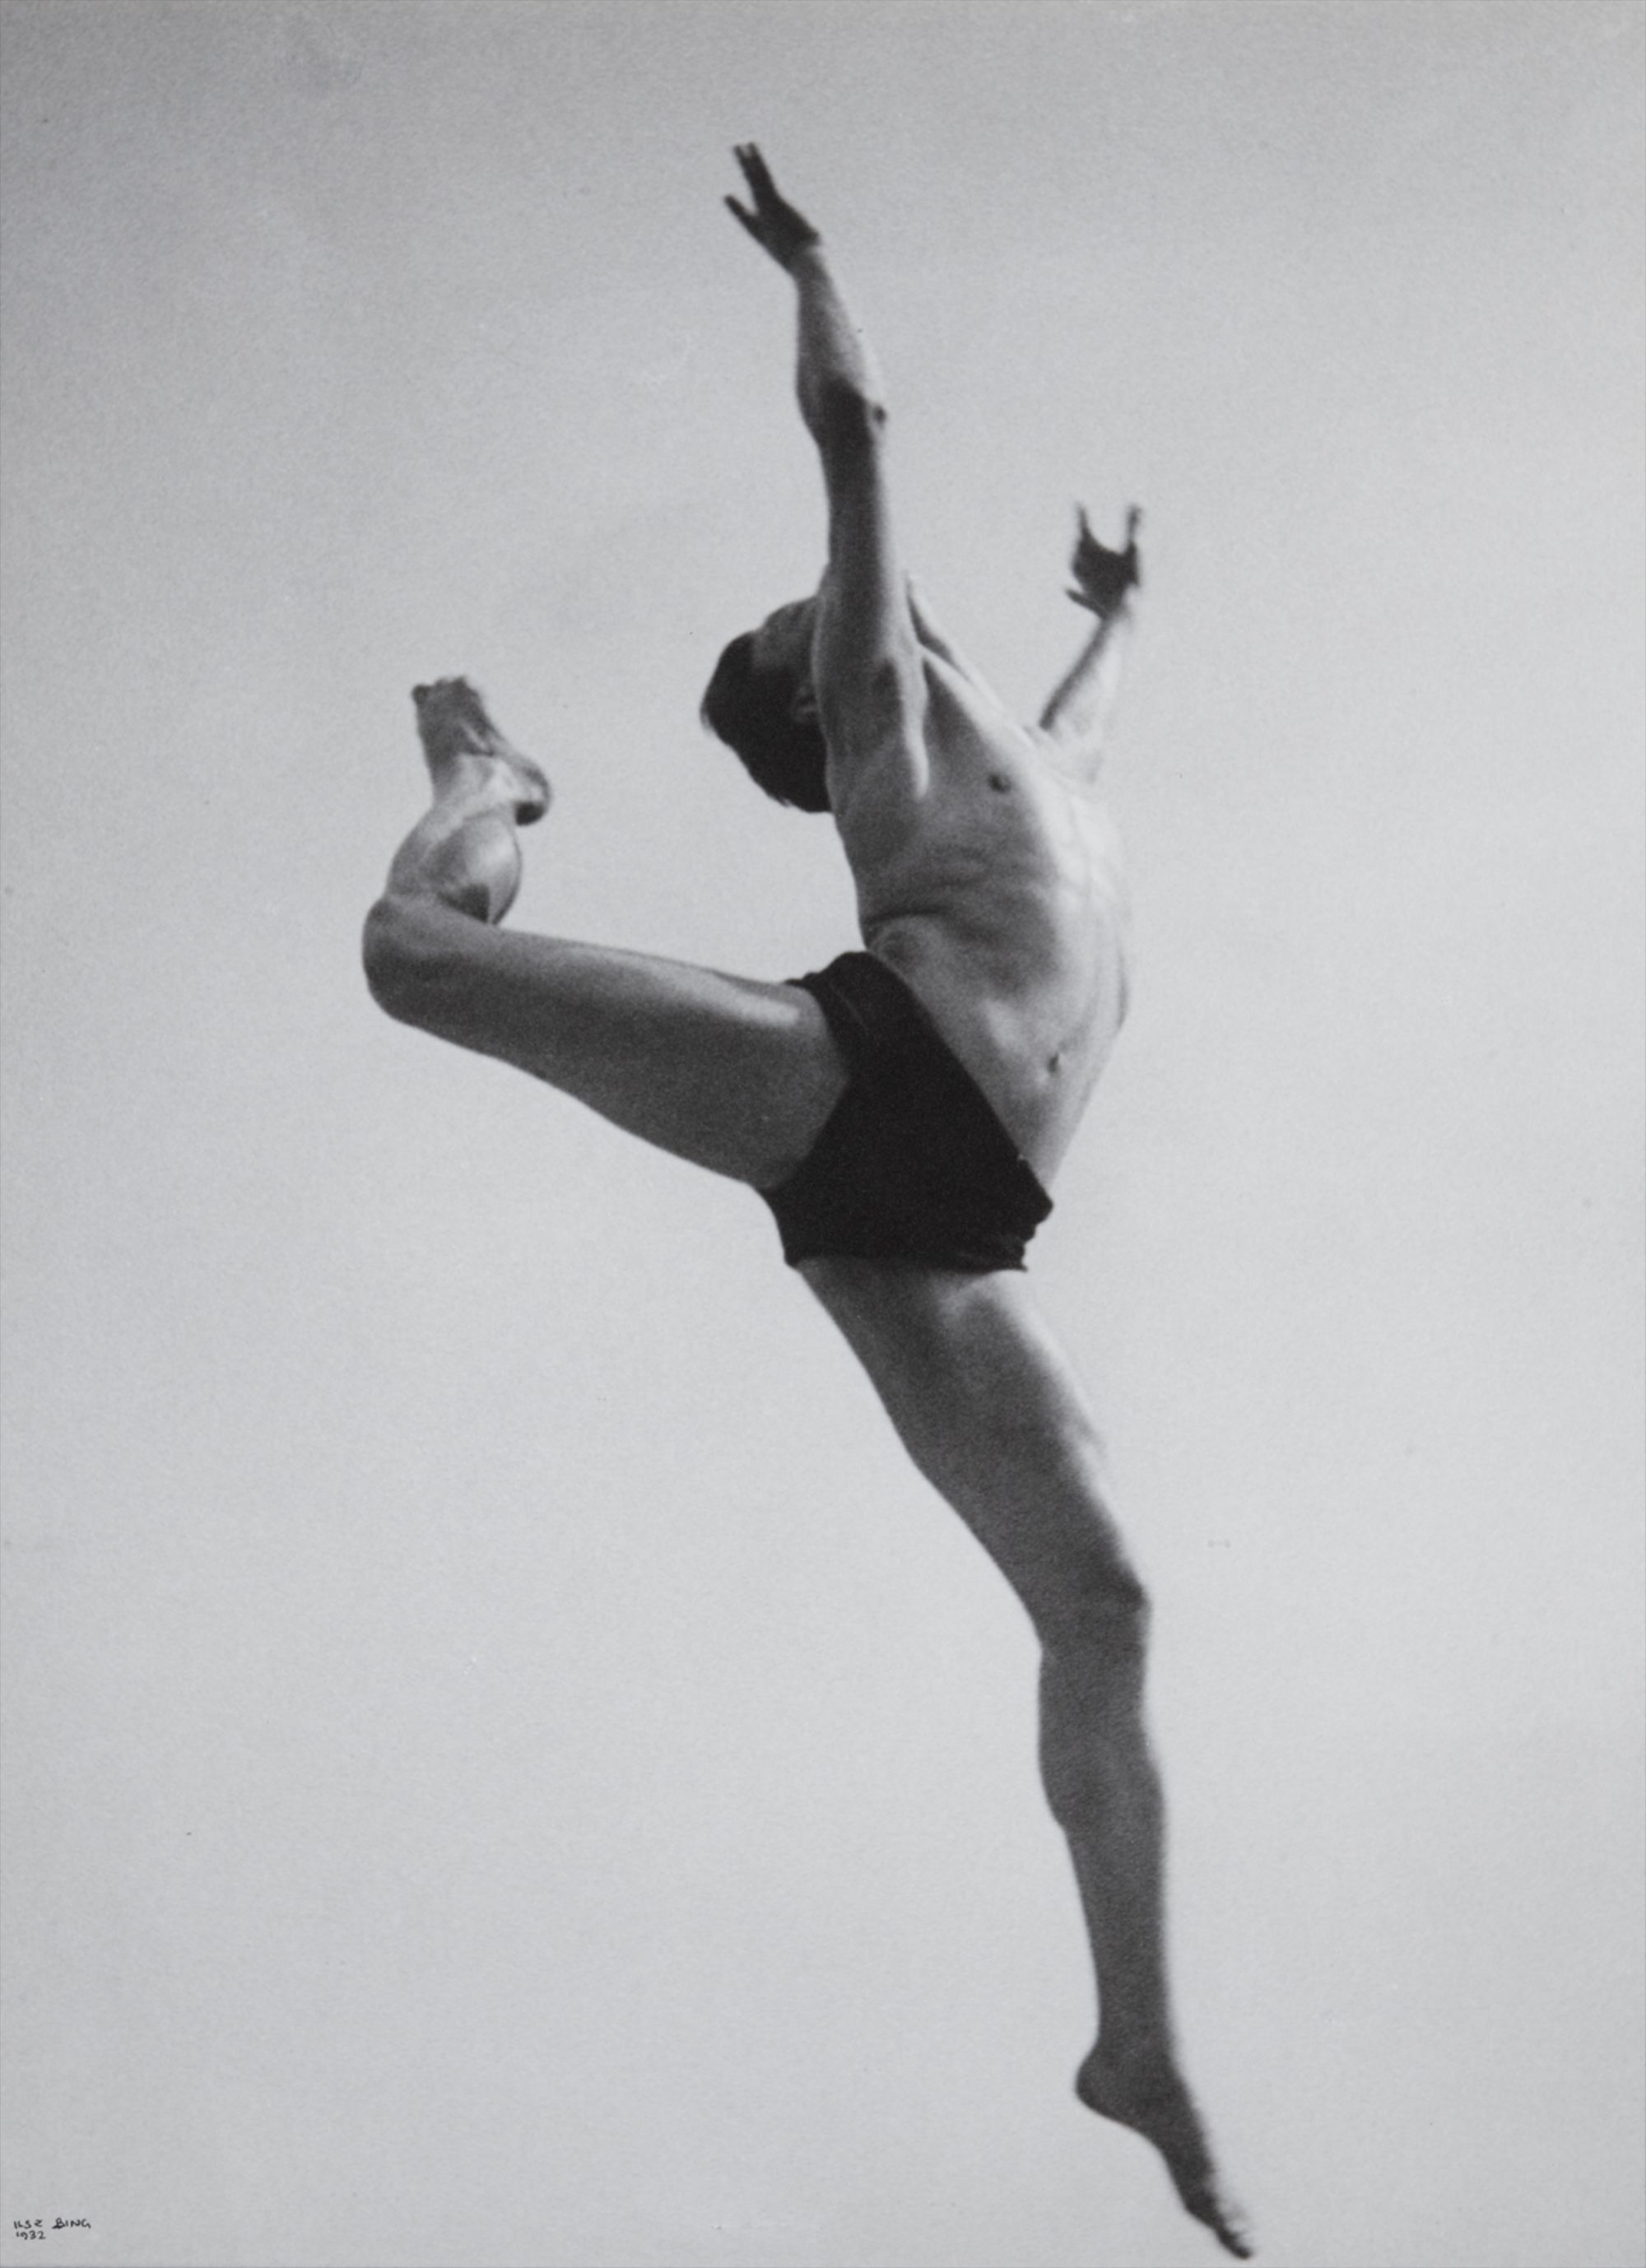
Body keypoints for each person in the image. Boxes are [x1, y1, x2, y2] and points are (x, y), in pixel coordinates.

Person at [362, 146, 1251, 2260]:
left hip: (948, 1217)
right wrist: (815, 262)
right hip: (860, 1074)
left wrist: (1118, 614)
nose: (814, 604)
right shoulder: (870, 724)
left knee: (1106, 1601)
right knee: (411, 958)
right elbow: (853, 438)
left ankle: (1132, 2042)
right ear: (812, 690)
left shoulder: (1037, 776)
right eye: (798, 623)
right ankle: (491, 786)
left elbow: (1083, 730)